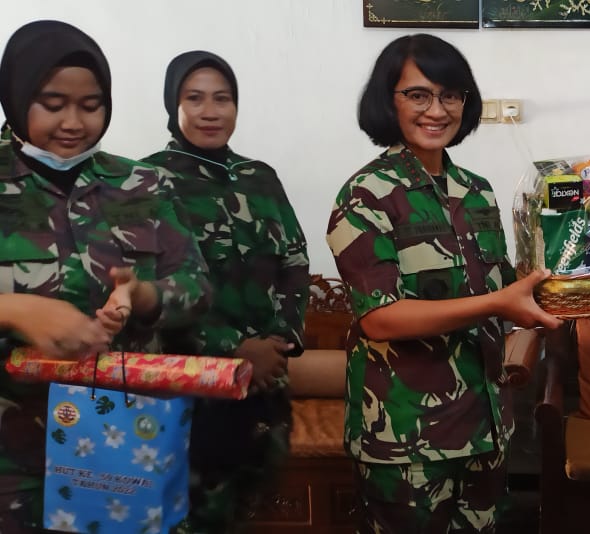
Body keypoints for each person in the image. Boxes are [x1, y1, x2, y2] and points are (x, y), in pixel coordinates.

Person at [325, 34, 561, 533]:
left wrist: (581, 280)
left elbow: (505, 284)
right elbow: (381, 318)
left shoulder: (476, 192)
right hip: (406, 440)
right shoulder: (366, 195)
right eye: (418, 95)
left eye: (450, 95)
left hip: (487, 426)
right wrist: (497, 302)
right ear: (388, 100)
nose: (437, 110)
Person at [0, 20, 210, 532]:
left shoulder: (144, 184)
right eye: (53, 104)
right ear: (16, 97)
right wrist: (14, 309)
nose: (73, 122)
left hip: (126, 444)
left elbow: (197, 287)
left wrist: (144, 296)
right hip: (12, 456)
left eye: (91, 105)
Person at [140, 50, 310, 533]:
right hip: (190, 390)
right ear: (173, 105)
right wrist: (233, 350)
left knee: (247, 510)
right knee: (190, 518)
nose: (211, 111)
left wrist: (280, 342)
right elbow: (153, 286)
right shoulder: (147, 181)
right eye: (194, 99)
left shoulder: (260, 178)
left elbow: (295, 261)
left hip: (265, 386)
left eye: (223, 98)